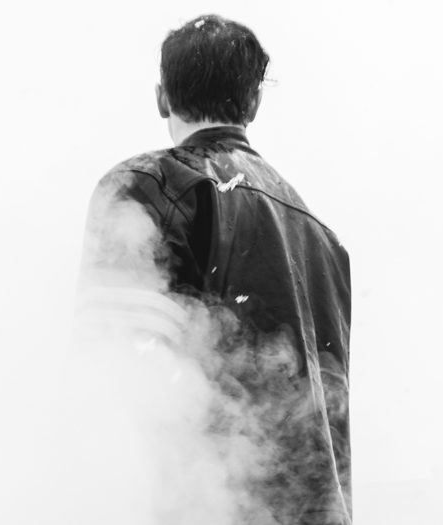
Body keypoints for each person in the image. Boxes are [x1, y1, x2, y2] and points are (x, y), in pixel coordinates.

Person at [77, 14, 352, 525]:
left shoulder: (147, 186)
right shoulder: (323, 239)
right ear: (255, 103)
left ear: (162, 98)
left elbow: (115, 382)